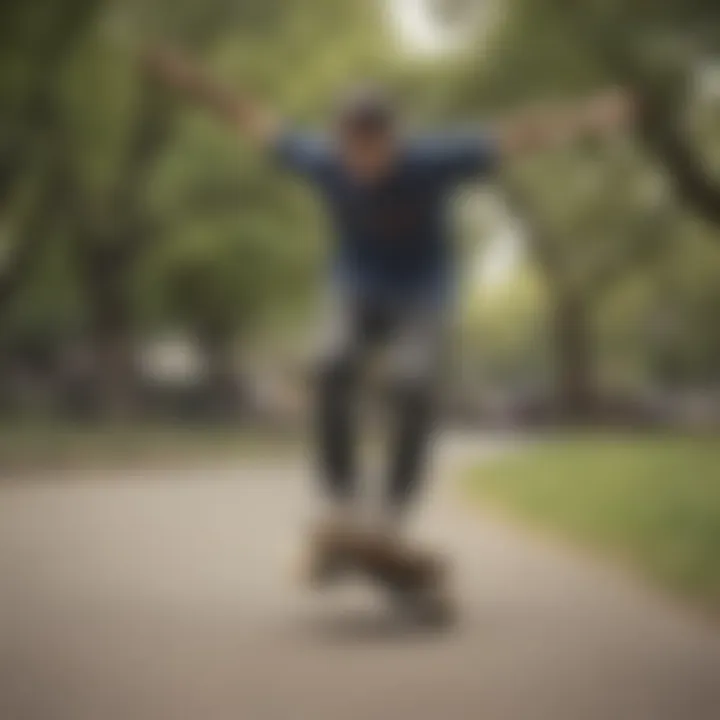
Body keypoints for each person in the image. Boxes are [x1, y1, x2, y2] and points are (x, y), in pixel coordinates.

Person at [144, 47, 634, 573]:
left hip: (423, 292)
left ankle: (393, 512)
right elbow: (253, 118)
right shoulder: (323, 160)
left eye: (375, 145)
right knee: (331, 362)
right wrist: (192, 82)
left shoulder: (431, 160)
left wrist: (588, 116)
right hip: (356, 288)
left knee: (412, 381)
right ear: (340, 140)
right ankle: (342, 498)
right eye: (354, 146)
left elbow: (515, 136)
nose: (365, 160)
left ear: (393, 138)